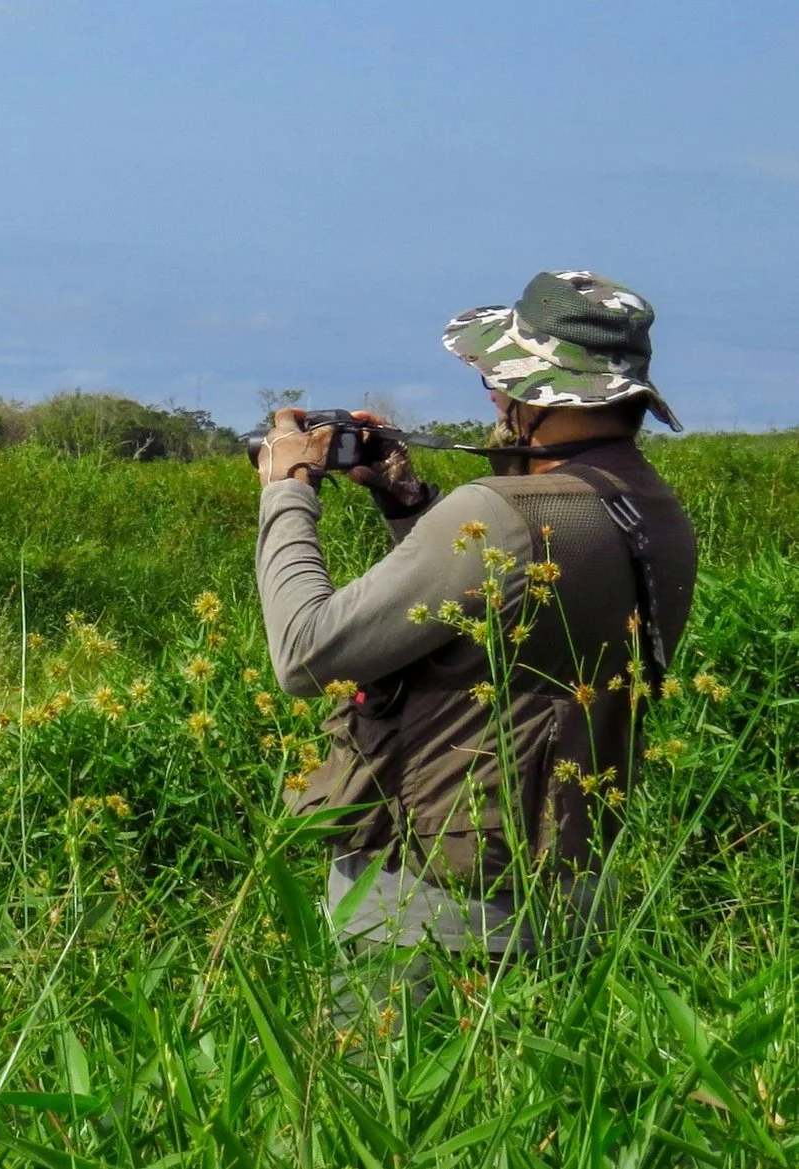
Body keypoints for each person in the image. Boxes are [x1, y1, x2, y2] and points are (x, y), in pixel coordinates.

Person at [252, 270, 698, 1007]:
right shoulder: (654, 511)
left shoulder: (499, 514)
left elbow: (305, 652)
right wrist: (412, 507)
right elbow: (520, 632)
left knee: (378, 1114)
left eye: (502, 378)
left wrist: (287, 490)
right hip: (570, 894)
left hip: (428, 908)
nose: (492, 393)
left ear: (539, 393)